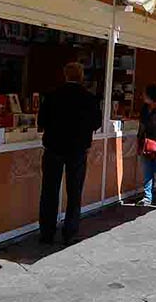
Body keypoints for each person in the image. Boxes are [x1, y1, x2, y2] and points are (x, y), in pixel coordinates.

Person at [37, 62, 102, 245]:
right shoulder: (89, 98)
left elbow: (42, 120)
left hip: (54, 147)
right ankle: (70, 232)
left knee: (49, 190)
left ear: (65, 75)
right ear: (81, 76)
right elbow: (96, 123)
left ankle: (47, 232)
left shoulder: (52, 95)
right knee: (74, 192)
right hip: (77, 149)